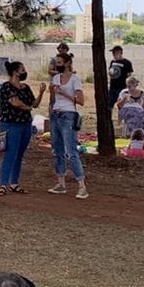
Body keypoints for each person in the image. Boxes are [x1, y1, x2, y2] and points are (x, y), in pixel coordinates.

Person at [0, 61, 43, 196]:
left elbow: (34, 104)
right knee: (10, 154)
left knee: (19, 155)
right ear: (15, 72)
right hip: (11, 124)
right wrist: (27, 107)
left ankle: (14, 183)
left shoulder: (25, 88)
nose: (24, 72)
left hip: (25, 124)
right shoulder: (6, 86)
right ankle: (3, 184)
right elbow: (14, 102)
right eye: (22, 70)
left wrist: (41, 93)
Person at [47, 53, 88, 198]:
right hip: (56, 114)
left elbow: (81, 101)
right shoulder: (56, 78)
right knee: (57, 149)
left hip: (68, 115)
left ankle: (82, 186)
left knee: (71, 151)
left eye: (59, 62)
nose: (57, 65)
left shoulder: (75, 80)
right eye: (56, 62)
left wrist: (63, 93)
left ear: (67, 63)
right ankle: (61, 182)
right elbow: (52, 97)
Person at [106, 45, 133, 111]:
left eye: (114, 53)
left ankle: (121, 118)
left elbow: (129, 76)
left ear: (119, 52)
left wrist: (128, 87)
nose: (113, 55)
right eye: (113, 53)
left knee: (121, 105)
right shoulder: (112, 62)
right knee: (109, 104)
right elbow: (110, 73)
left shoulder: (127, 63)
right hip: (113, 87)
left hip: (122, 87)